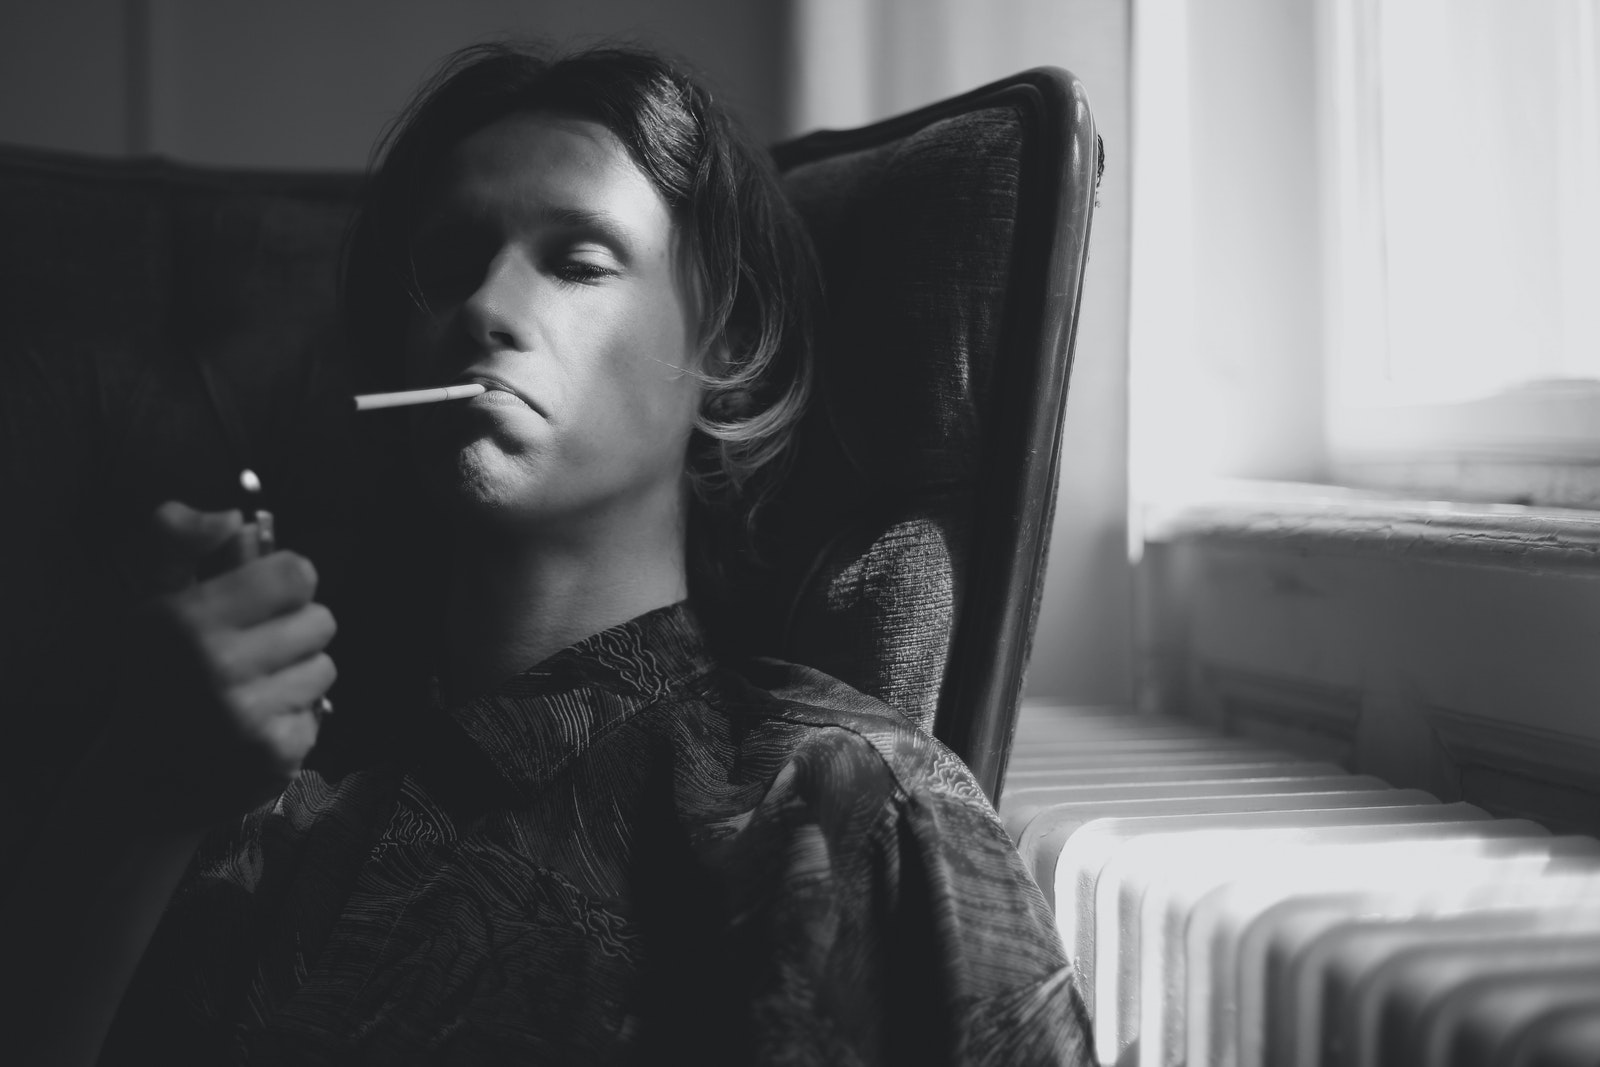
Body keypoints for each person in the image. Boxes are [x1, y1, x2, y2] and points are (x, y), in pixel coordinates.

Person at [4, 42, 1094, 1066]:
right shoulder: (241, 798)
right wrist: (135, 790)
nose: (484, 307)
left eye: (576, 259)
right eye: (449, 263)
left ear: (724, 340)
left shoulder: (840, 811)